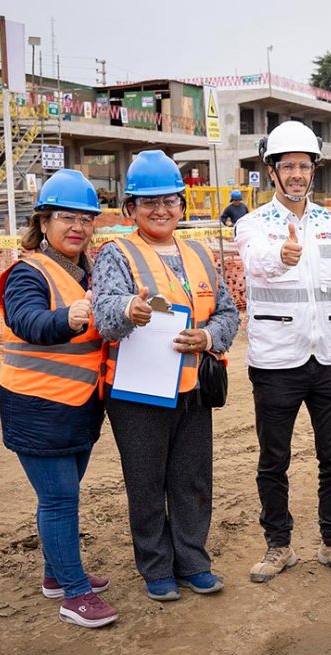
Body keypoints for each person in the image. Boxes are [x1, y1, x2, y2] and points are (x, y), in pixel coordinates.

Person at [92, 150, 240, 602]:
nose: (160, 210)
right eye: (148, 202)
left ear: (182, 204)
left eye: (170, 201)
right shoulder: (115, 254)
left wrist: (209, 336)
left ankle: (193, 561)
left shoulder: (197, 253)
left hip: (192, 389)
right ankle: (156, 567)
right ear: (130, 209)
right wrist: (127, 310)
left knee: (192, 479)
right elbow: (103, 315)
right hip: (137, 395)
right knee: (146, 481)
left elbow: (230, 313)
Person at [234, 121, 331, 583]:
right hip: (275, 364)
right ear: (271, 171)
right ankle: (278, 546)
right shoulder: (252, 224)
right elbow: (253, 262)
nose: (295, 174)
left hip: (329, 360)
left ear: (314, 171)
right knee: (274, 460)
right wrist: (281, 258)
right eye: (287, 165)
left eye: (303, 166)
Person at [0, 169, 117, 628]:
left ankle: (55, 576)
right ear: (43, 222)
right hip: (36, 407)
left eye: (86, 218)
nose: (77, 226)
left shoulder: (90, 270)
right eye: (66, 216)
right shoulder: (28, 271)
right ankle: (75, 595)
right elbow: (28, 322)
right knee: (60, 500)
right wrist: (68, 317)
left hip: (79, 407)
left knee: (63, 495)